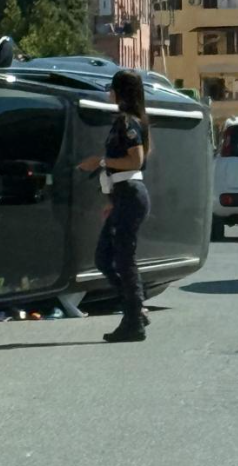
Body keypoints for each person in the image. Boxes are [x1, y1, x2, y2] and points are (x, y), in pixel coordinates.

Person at [79, 70, 152, 343]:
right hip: (123, 195)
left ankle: (133, 319)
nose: (109, 92)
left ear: (120, 92)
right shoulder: (132, 121)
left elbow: (135, 161)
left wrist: (98, 161)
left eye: (112, 88)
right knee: (104, 257)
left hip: (131, 194)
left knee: (123, 257)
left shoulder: (127, 122)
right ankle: (136, 307)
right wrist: (111, 201)